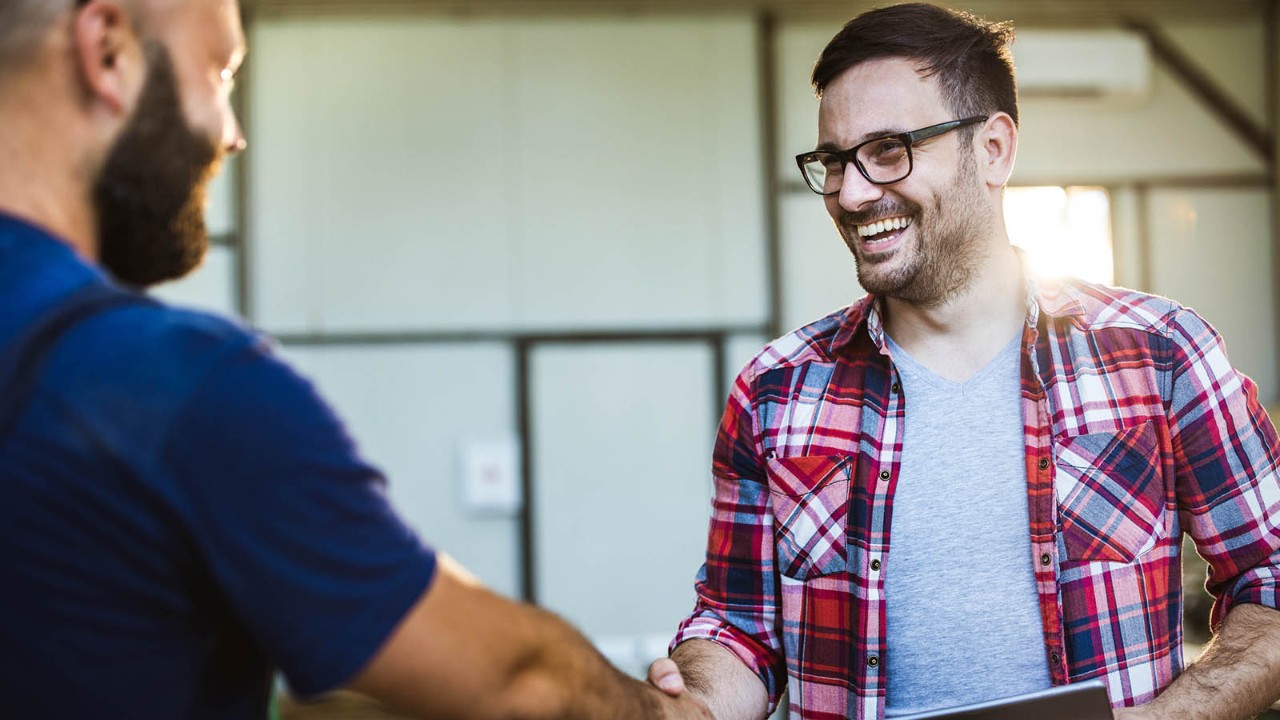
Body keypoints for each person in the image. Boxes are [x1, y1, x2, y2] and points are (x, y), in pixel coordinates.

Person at [0, 1, 710, 718]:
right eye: (219, 74)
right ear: (108, 51)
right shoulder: (173, 385)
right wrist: (672, 713)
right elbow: (520, 683)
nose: (233, 134)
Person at [647, 4, 1280, 719]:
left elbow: (1272, 574)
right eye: (833, 161)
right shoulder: (775, 392)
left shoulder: (1162, 356)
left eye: (888, 150)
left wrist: (1177, 715)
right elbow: (739, 626)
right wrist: (688, 701)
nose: (850, 194)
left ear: (994, 149)